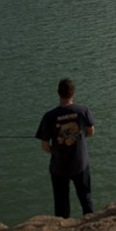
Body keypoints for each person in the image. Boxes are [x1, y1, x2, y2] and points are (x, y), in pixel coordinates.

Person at [35, 78, 96, 218]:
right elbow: (91, 131)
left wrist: (56, 150)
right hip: (80, 163)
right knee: (85, 196)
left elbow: (45, 146)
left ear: (58, 94)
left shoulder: (49, 116)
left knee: (61, 203)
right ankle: (90, 222)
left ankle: (62, 228)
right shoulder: (83, 110)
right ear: (73, 93)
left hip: (59, 166)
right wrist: (76, 138)